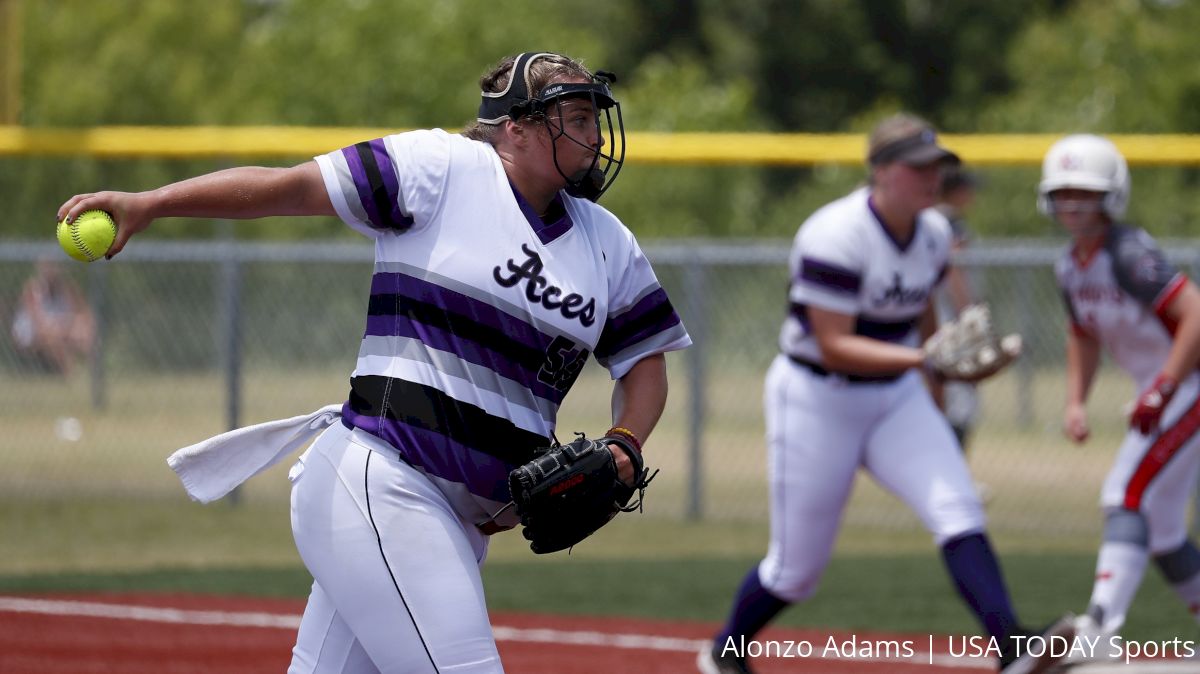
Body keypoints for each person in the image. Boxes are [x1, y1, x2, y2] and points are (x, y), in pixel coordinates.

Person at [59, 51, 692, 673]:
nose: (592, 134)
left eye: (592, 118)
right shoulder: (442, 169)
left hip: (459, 526)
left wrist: (625, 442)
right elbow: (289, 188)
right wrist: (151, 204)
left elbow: (646, 361)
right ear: (516, 128)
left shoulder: (606, 242)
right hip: (381, 483)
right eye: (573, 117)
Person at [697, 113, 1071, 674]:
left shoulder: (935, 232)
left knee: (957, 508)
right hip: (817, 398)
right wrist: (928, 359)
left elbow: (921, 308)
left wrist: (936, 381)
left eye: (937, 166)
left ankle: (1012, 647)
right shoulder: (836, 233)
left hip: (896, 396)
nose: (931, 176)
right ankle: (726, 651)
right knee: (796, 571)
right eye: (918, 166)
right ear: (880, 171)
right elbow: (833, 345)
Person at [1043, 134, 1200, 662]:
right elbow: (1082, 334)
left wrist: (1164, 386)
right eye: (1063, 192)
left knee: (1124, 494)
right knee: (1163, 532)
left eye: (1084, 192)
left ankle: (1101, 626)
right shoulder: (1070, 265)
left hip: (1189, 385)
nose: (1072, 202)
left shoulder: (1128, 253)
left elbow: (1196, 316)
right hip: (1168, 389)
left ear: (1110, 195)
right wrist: (1075, 401)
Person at [934, 167, 982, 449]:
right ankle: (953, 474)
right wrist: (971, 322)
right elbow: (955, 275)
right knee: (961, 404)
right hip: (950, 322)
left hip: (927, 322)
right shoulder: (951, 224)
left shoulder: (923, 220)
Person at [10, 257, 96, 377]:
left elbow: (84, 312)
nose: (51, 272)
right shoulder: (33, 289)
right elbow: (38, 322)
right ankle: (70, 375)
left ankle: (94, 375)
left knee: (84, 331)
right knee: (52, 337)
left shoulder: (66, 289)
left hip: (58, 329)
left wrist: (80, 325)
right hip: (30, 333)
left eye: (54, 267)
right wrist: (62, 329)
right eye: (47, 268)